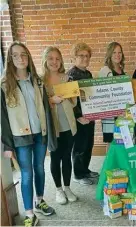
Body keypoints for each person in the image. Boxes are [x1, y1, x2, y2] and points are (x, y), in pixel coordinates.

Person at [1, 41, 56, 226]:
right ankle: (29, 213)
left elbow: (46, 110)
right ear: (10, 59)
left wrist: (50, 134)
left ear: (29, 57)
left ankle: (39, 201)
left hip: (40, 133)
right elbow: (3, 118)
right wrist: (8, 144)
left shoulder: (37, 81)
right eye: (15, 55)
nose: (20, 58)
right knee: (27, 174)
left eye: (23, 54)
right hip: (20, 136)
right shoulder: (4, 85)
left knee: (40, 168)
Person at [41, 46, 78, 204]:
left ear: (61, 61)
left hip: (68, 125)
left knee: (67, 157)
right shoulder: (40, 81)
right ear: (45, 60)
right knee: (55, 158)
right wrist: (51, 100)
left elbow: (74, 102)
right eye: (51, 58)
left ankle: (68, 187)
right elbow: (38, 105)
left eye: (57, 58)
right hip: (53, 127)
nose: (54, 62)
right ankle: (58, 190)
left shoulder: (67, 78)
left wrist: (72, 96)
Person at [67, 43, 99, 185]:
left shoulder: (88, 74)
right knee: (79, 147)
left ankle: (85, 170)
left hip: (89, 116)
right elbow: (69, 100)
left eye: (87, 56)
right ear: (75, 57)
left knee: (88, 144)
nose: (85, 58)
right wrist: (78, 116)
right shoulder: (71, 76)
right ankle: (78, 175)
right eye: (81, 56)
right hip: (79, 118)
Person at [98, 42, 125, 145]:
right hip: (110, 114)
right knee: (111, 142)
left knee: (121, 140)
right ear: (109, 54)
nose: (117, 55)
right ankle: (109, 161)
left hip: (121, 113)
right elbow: (101, 94)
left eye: (119, 52)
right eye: (114, 52)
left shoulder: (122, 71)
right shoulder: (105, 71)